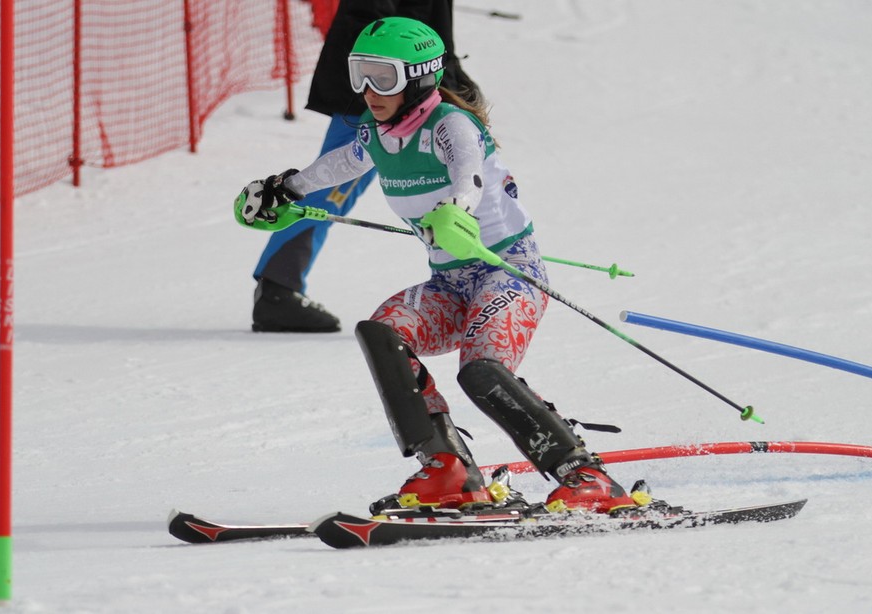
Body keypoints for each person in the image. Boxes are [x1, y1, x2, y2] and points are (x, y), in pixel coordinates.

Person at [236, 17, 650, 514]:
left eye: (383, 76)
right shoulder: (379, 133)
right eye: (360, 73)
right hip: (450, 285)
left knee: (481, 371)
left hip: (510, 273)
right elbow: (342, 164)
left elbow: (468, 175)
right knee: (383, 332)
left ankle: (586, 476)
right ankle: (448, 467)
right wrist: (288, 190)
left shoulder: (450, 126)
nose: (369, 89)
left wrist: (458, 211)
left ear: (420, 77)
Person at [251, 0, 482, 332]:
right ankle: (278, 289)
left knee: (449, 180)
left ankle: (473, 284)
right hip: (381, 95)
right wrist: (386, 78)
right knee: (332, 185)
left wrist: (446, 74)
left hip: (406, 88)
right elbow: (371, 18)